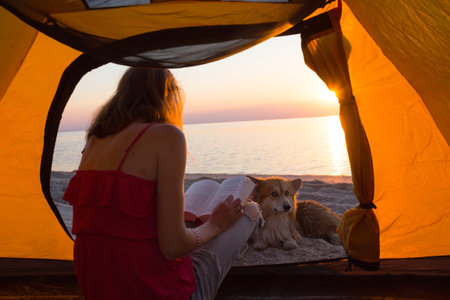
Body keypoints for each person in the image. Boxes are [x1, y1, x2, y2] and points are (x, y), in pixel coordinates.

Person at [63, 67, 260, 300]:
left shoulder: (95, 140)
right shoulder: (167, 136)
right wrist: (215, 225)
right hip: (158, 290)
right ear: (169, 96)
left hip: (101, 288)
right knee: (251, 210)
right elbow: (173, 247)